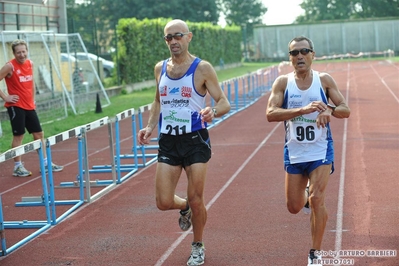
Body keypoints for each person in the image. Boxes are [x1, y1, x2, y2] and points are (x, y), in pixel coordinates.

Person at [137, 19, 230, 266]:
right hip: (168, 140)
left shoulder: (203, 68)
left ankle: (197, 245)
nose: (173, 41)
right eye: (168, 37)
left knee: (198, 197)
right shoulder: (160, 68)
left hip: (195, 140)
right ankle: (185, 206)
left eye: (178, 36)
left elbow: (224, 102)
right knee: (163, 201)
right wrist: (149, 126)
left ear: (189, 37)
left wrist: (214, 111)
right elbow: (157, 101)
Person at [266, 36, 350, 265]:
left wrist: (329, 110)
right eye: (294, 53)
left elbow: (345, 109)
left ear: (313, 55)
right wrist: (301, 110)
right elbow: (271, 114)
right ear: (289, 58)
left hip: (320, 149)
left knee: (316, 199)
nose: (299, 56)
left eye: (304, 51)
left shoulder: (323, 80)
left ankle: (315, 253)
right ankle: (304, 201)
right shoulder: (283, 83)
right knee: (294, 207)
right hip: (294, 151)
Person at [0, 39, 64, 177]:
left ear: (27, 51)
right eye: (19, 52)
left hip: (29, 105)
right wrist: (5, 97)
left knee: (39, 134)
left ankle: (45, 164)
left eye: (24, 51)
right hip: (15, 106)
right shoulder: (9, 66)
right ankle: (18, 167)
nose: (22, 55)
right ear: (14, 53)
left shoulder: (30, 63)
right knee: (19, 135)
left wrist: (33, 100)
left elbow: (32, 83)